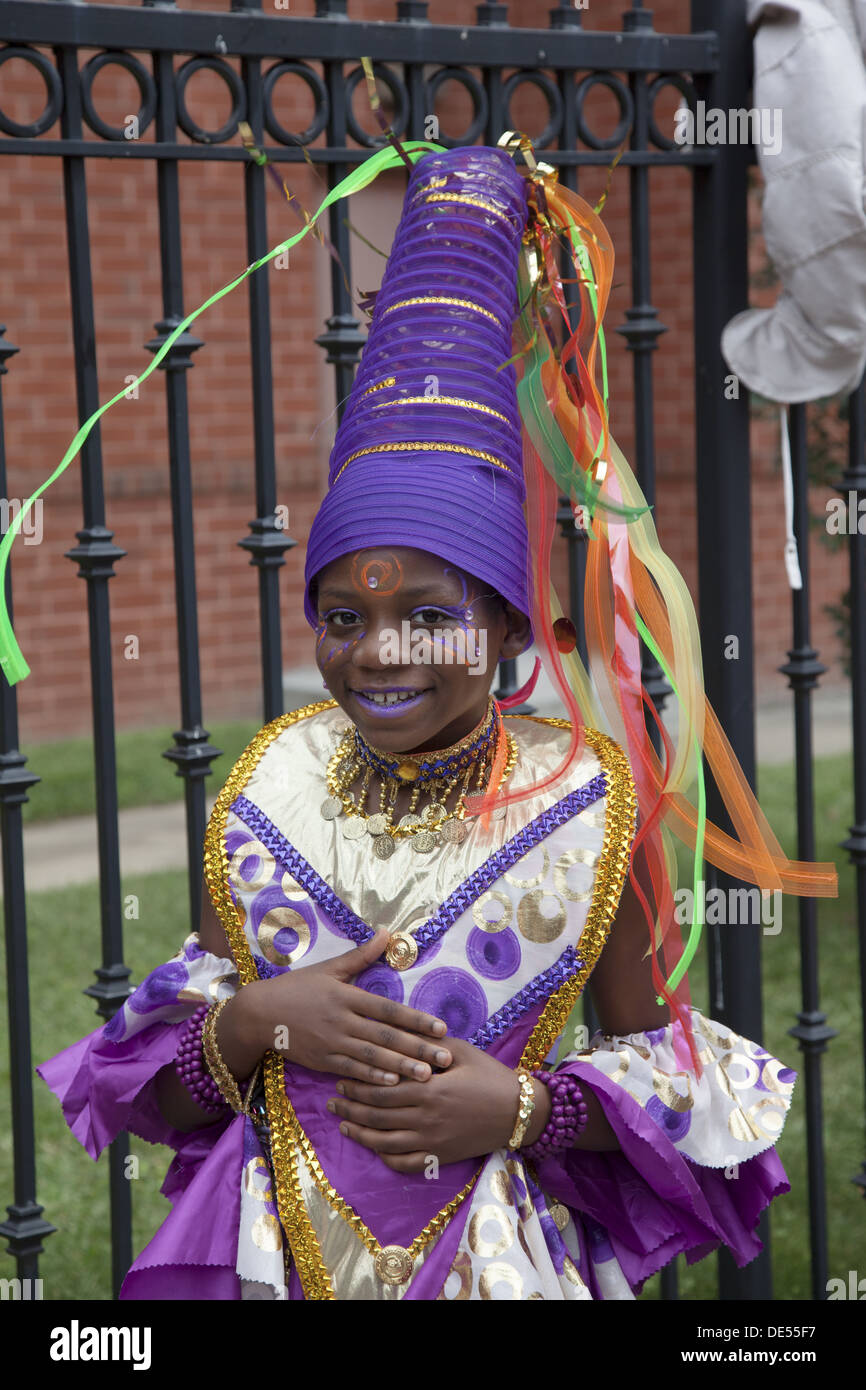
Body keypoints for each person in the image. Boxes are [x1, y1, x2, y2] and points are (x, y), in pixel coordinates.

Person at [37, 138, 837, 1301]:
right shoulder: (268, 787)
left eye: (427, 613)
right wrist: (253, 1022)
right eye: (342, 614)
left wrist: (518, 1103)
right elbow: (151, 1097)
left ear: (510, 630)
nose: (378, 649)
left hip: (488, 1261)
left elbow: (664, 1078)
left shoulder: (582, 802)